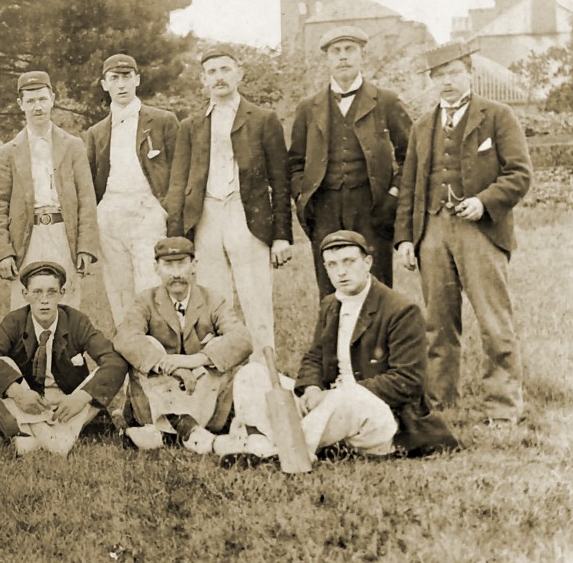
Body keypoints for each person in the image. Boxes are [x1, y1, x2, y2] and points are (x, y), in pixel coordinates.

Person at [226, 231, 458, 466]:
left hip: (380, 418)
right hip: (330, 412)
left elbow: (408, 381)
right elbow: (314, 357)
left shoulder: (401, 309)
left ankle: (282, 452)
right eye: (332, 265)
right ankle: (266, 447)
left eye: (349, 262)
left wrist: (337, 394)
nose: (341, 272)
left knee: (349, 397)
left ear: (367, 262)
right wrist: (312, 389)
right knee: (252, 374)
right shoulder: (330, 304)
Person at [395, 41, 532, 426]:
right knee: (437, 325)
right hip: (433, 232)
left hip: (480, 231)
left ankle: (503, 408)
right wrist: (406, 238)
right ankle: (440, 406)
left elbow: (520, 173)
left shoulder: (497, 116)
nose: (447, 82)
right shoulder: (423, 126)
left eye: (453, 73)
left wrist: (484, 202)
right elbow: (410, 186)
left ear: (469, 73)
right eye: (439, 76)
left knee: (494, 321)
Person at [165, 46, 292, 353]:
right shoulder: (191, 126)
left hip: (247, 216)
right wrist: (176, 240)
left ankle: (264, 378)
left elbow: (281, 182)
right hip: (206, 217)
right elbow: (178, 184)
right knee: (213, 304)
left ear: (239, 74)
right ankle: (223, 379)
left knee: (256, 301)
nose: (218, 77)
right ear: (202, 80)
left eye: (225, 69)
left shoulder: (263, 119)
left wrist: (281, 237)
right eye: (211, 72)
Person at [288, 26, 412, 298]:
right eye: (336, 51)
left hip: (372, 207)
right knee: (331, 284)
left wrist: (393, 194)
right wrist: (301, 196)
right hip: (325, 208)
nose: (343, 57)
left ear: (361, 56)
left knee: (376, 283)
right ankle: (335, 339)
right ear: (327, 59)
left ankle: (377, 340)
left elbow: (411, 156)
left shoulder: (386, 101)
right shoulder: (309, 107)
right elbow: (295, 161)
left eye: (349, 50)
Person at [0, 261, 127, 456]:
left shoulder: (76, 321)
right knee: (3, 368)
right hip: (29, 400)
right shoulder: (15, 321)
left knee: (98, 380)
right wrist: (18, 393)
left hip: (66, 401)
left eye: (51, 292)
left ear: (62, 293)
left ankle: (31, 437)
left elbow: (114, 360)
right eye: (37, 292)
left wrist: (82, 396)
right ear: (25, 295)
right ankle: (56, 442)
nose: (44, 300)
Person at [112, 237, 251, 454]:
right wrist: (173, 367)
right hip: (159, 395)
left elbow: (242, 339)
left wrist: (196, 360)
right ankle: (191, 433)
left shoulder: (212, 299)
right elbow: (124, 338)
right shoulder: (145, 301)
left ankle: (168, 436)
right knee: (147, 344)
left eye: (182, 264)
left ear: (194, 266)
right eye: (168, 265)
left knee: (221, 344)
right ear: (156, 268)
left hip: (203, 396)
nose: (176, 273)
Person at [0, 71, 99, 310]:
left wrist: (85, 247)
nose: (37, 107)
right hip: (27, 236)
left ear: (52, 99)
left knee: (67, 302)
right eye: (30, 101)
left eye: (42, 99)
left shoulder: (73, 146)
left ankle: (67, 349)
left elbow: (87, 201)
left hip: (62, 233)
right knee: (25, 302)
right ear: (20, 105)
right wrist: (3, 253)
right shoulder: (7, 152)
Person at [85, 54, 180, 325]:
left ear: (137, 79)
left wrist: (166, 212)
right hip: (111, 216)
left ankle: (160, 358)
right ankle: (130, 360)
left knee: (151, 288)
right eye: (114, 78)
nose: (121, 84)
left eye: (127, 77)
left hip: (147, 212)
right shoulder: (96, 132)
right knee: (120, 292)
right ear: (105, 84)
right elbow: (92, 182)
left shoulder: (163, 121)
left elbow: (178, 175)